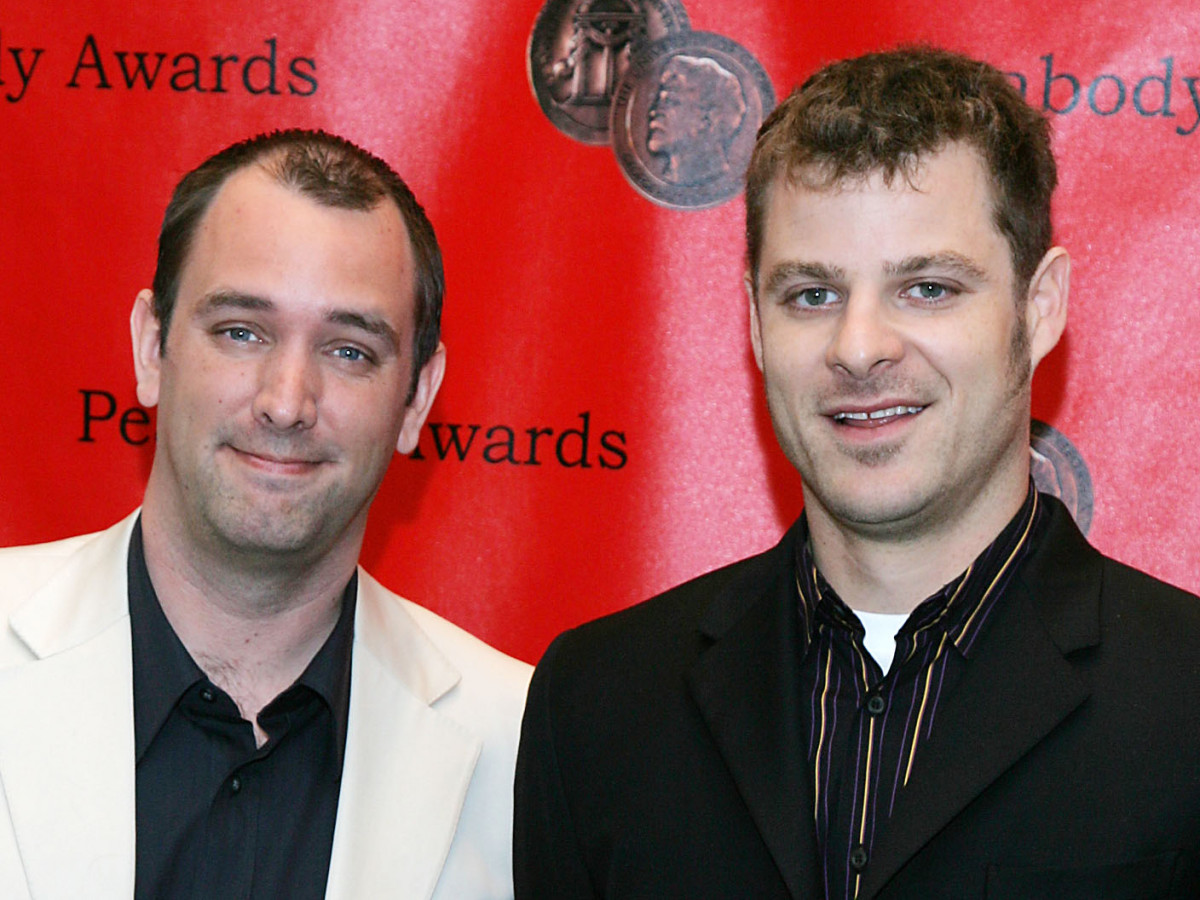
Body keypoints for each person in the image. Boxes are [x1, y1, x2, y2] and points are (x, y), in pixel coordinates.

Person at [514, 47, 1200, 898]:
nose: (860, 347)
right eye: (812, 295)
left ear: (1040, 306)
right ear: (756, 326)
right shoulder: (597, 707)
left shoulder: (1185, 701)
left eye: (928, 288)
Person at [0, 130, 530, 899]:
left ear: (417, 397)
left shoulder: (520, 749)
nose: (286, 402)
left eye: (349, 350)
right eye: (241, 332)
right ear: (152, 348)